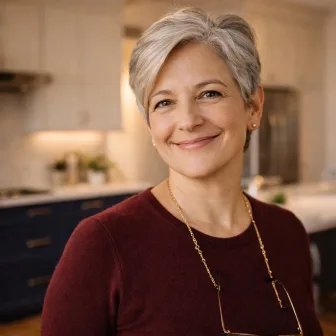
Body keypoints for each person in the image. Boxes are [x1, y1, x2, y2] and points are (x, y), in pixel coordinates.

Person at [41, 7, 323, 335]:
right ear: (150, 124)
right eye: (164, 102)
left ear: (253, 106)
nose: (188, 120)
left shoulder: (287, 232)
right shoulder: (102, 244)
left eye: (209, 93)